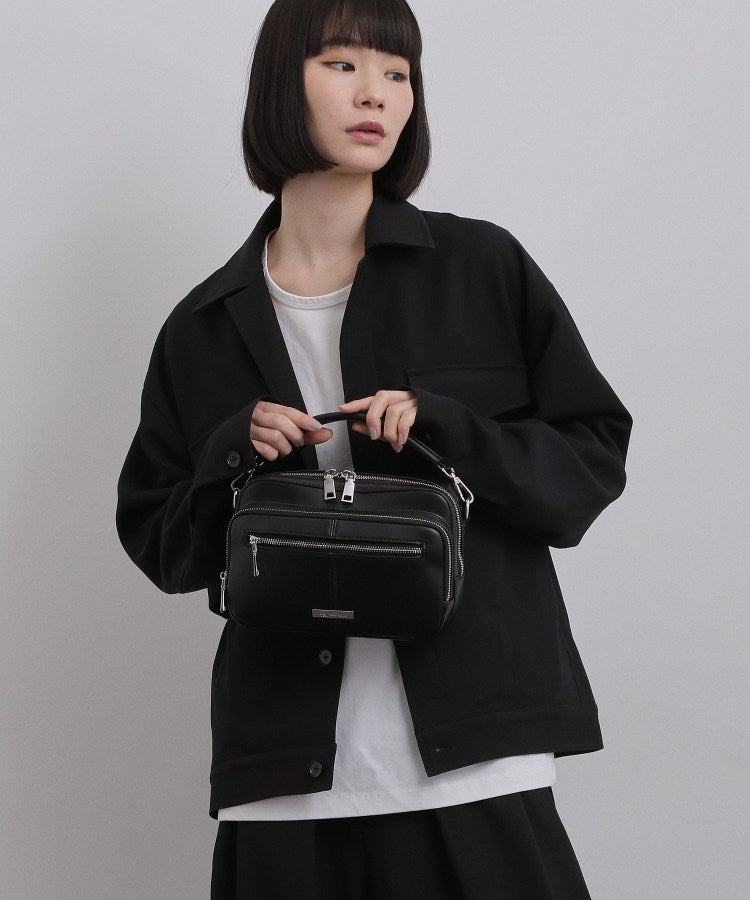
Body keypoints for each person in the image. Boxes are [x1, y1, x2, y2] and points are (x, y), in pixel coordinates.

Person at [116, 0, 632, 896]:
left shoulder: (482, 267)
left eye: (398, 72)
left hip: (476, 755)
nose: (377, 95)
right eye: (343, 64)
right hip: (284, 778)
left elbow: (588, 462)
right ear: (281, 84)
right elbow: (162, 546)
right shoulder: (200, 328)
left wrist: (447, 427)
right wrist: (234, 452)